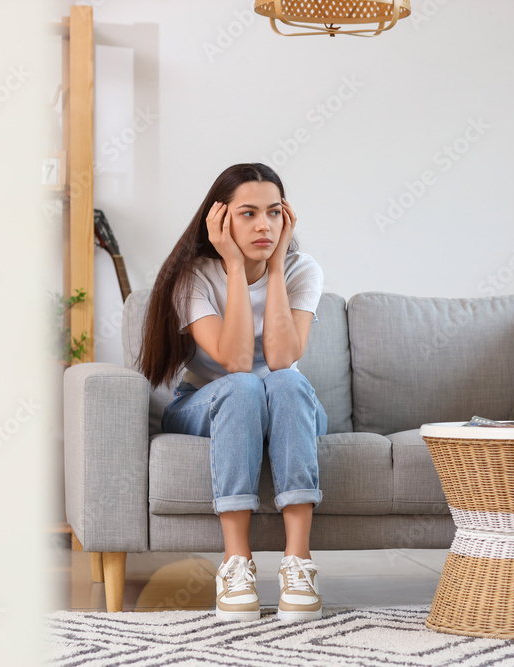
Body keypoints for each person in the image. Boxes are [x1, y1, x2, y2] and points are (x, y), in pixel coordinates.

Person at [137, 163, 327, 622]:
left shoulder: (303, 271)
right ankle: (235, 563)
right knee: (242, 385)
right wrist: (237, 268)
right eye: (248, 214)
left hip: (286, 402)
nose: (264, 225)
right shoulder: (193, 278)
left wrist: (276, 267)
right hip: (204, 402)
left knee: (284, 380)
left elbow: (282, 358)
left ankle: (298, 562)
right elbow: (237, 361)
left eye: (274, 212)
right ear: (220, 220)